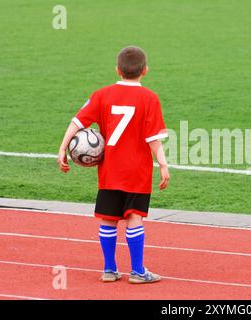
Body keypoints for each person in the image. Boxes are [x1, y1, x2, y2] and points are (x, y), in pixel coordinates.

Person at [57, 46, 170, 284]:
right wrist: (162, 164)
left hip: (109, 172)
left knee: (108, 219)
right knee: (135, 217)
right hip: (137, 172)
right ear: (145, 71)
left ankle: (109, 269)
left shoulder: (101, 95)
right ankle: (138, 272)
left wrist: (62, 149)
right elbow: (153, 139)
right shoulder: (150, 98)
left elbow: (76, 122)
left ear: (117, 70)